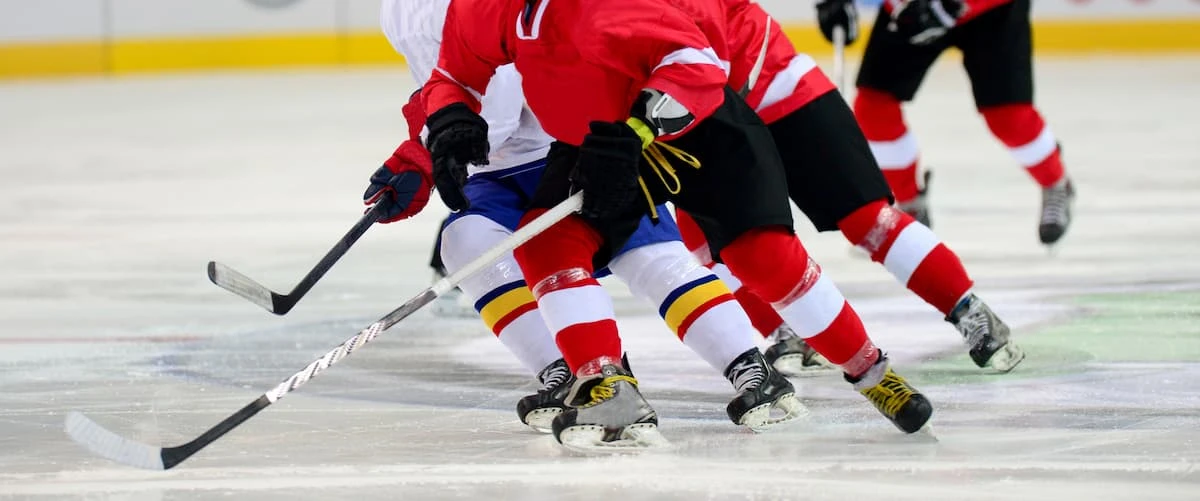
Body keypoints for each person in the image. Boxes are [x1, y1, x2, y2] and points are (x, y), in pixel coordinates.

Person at [422, 0, 933, 450]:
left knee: (764, 260)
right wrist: (451, 120)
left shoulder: (613, 8)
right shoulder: (486, 6)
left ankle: (873, 373)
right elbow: (456, 73)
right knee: (547, 242)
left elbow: (699, 65)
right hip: (601, 138)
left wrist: (639, 129)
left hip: (703, 131)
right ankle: (606, 385)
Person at [371, 0, 804, 445]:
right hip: (497, 173)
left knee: (644, 253)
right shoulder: (398, 9)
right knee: (465, 240)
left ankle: (747, 363)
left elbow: (494, 112)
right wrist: (423, 143)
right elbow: (442, 84)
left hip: (581, 145)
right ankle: (569, 371)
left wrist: (424, 155)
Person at [672, 0, 1023, 375]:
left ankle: (969, 310)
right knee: (707, 241)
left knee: (867, 220)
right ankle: (786, 331)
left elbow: (694, 50)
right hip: (701, 119)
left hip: (774, 85)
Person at [816, 0, 1075, 245]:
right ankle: (910, 208)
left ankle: (1055, 182)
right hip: (912, 6)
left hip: (991, 13)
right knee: (874, 108)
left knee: (1008, 117)